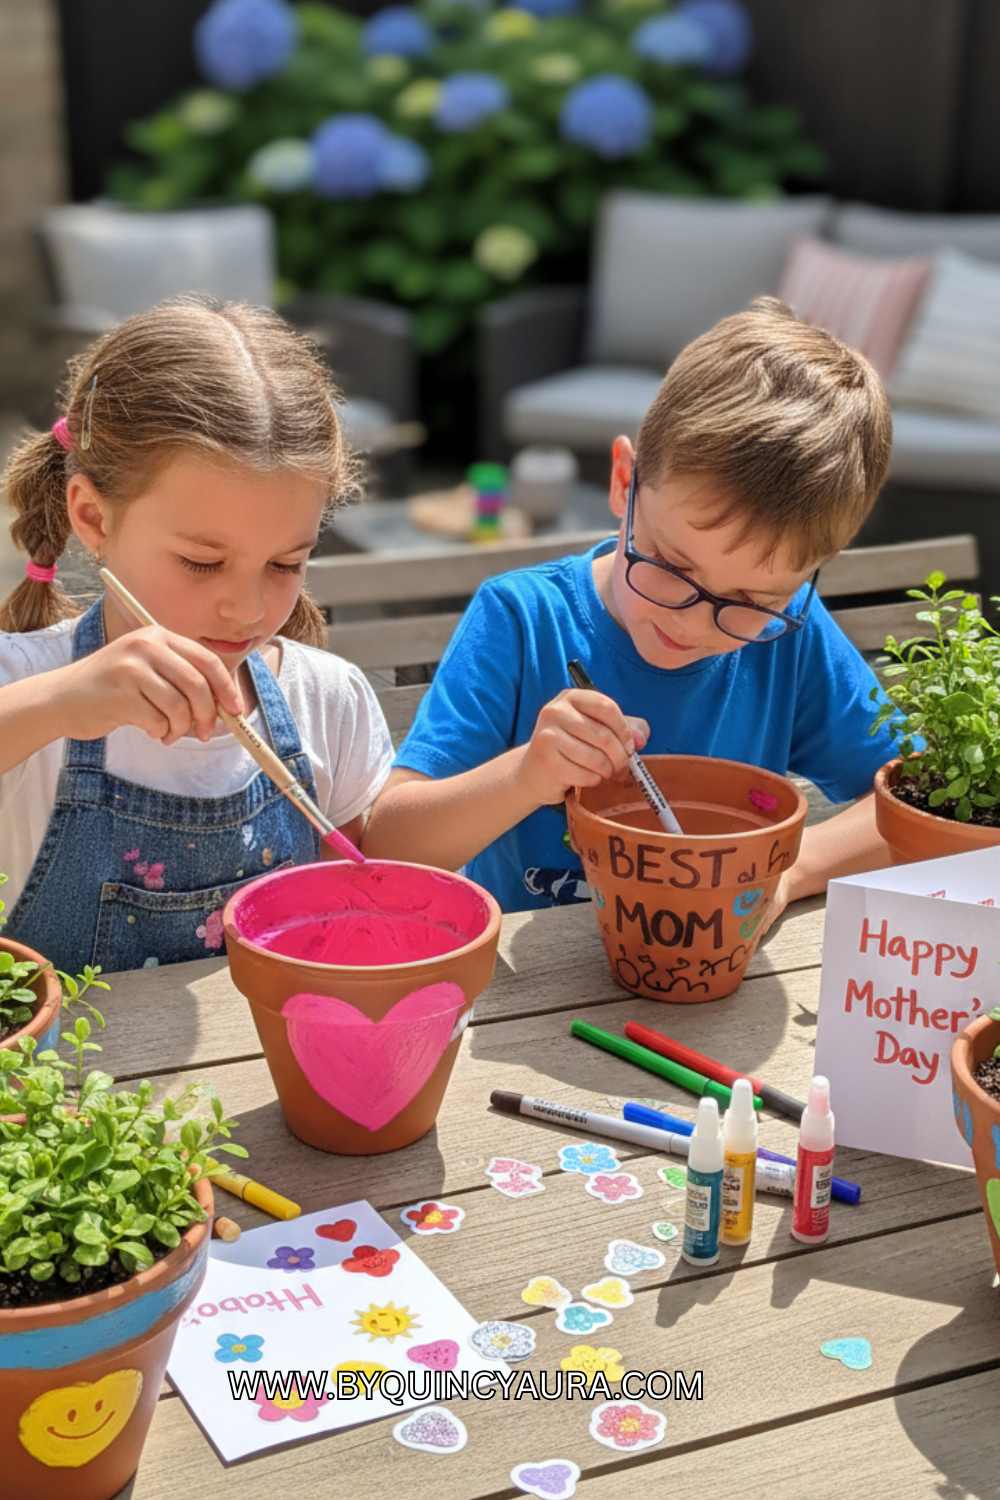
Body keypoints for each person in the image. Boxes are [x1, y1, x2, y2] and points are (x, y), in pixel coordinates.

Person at [364, 297, 898, 923]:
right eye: (670, 567)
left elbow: (915, 803)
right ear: (625, 482)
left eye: (752, 602)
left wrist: (788, 870)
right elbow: (386, 847)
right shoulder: (523, 620)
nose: (690, 623)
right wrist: (523, 778)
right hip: (534, 976)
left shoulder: (791, 636)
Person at [0, 296, 392, 971]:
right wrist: (59, 704)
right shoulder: (26, 682)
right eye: (202, 563)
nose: (245, 609)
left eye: (285, 564)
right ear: (93, 518)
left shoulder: (325, 700)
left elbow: (360, 906)